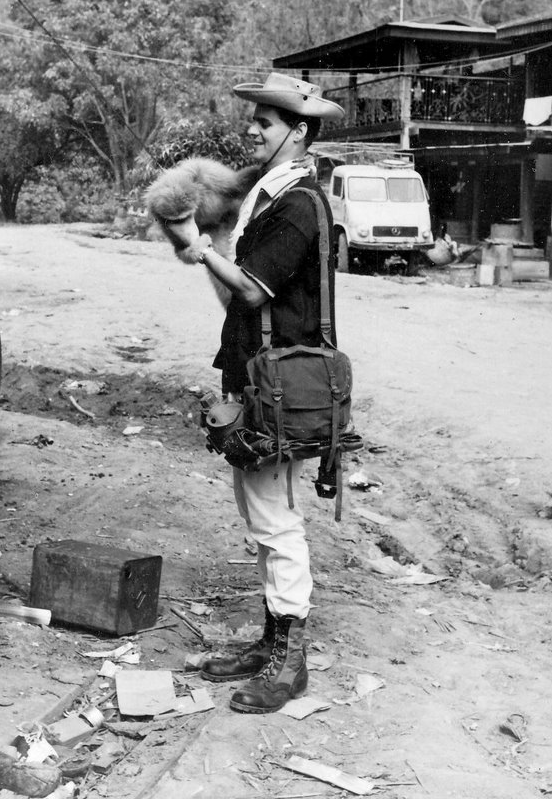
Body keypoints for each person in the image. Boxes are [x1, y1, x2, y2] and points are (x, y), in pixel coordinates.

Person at [180, 71, 345, 714]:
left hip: (279, 383)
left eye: (266, 123)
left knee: (275, 518)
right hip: (256, 375)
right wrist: (211, 251)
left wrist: (201, 251)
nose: (254, 130)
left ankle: (289, 661)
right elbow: (235, 293)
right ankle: (272, 642)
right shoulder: (269, 199)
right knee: (259, 512)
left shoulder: (300, 203)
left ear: (298, 133)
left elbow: (251, 289)